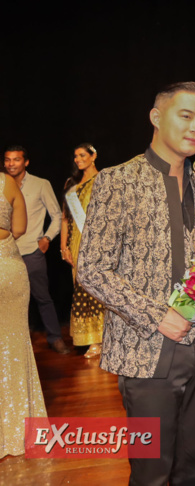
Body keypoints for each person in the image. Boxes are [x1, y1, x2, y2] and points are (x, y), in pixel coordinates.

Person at [77, 82, 195, 485]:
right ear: (156, 117)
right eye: (185, 116)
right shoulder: (118, 181)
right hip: (145, 353)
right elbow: (91, 270)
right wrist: (156, 316)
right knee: (152, 473)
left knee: (193, 467)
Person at [4, 146, 70, 354]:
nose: (11, 164)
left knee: (42, 296)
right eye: (7, 160)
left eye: (16, 160)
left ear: (26, 162)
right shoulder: (1, 184)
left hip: (31, 250)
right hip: (5, 252)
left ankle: (55, 338)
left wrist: (47, 238)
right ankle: (12, 343)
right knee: (7, 299)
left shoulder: (40, 184)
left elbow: (57, 215)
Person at [0, 172, 48, 458]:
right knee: (16, 347)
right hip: (10, 266)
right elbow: (19, 227)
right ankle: (20, 428)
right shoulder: (7, 181)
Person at [60, 143, 105, 359]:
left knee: (101, 289)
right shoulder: (72, 184)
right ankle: (92, 340)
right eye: (76, 156)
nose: (78, 160)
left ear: (93, 156)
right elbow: (65, 218)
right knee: (83, 288)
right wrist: (63, 246)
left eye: (82, 155)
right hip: (77, 243)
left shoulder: (104, 179)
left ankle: (106, 337)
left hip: (98, 242)